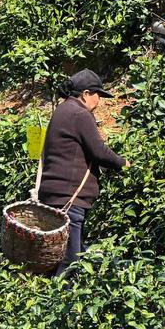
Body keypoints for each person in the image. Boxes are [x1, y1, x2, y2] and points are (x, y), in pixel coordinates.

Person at [37, 69, 128, 270]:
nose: (99, 101)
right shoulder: (80, 114)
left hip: (53, 196)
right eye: (98, 95)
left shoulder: (62, 110)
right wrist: (122, 163)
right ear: (86, 94)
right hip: (69, 199)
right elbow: (99, 151)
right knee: (70, 262)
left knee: (63, 257)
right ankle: (60, 290)